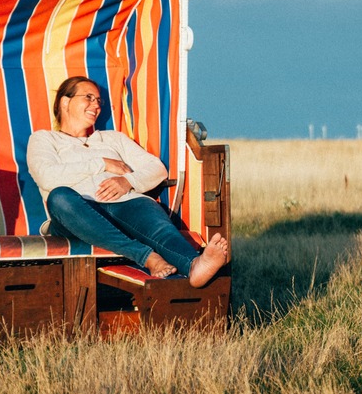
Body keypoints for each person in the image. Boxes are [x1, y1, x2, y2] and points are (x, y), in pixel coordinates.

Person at [26, 76, 229, 287]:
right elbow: (46, 175)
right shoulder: (44, 139)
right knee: (59, 197)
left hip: (126, 203)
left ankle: (195, 265)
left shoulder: (112, 138)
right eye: (88, 97)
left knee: (156, 223)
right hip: (78, 215)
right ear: (65, 102)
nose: (96, 105)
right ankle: (145, 256)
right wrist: (102, 163)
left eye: (98, 101)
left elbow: (157, 169)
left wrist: (128, 181)